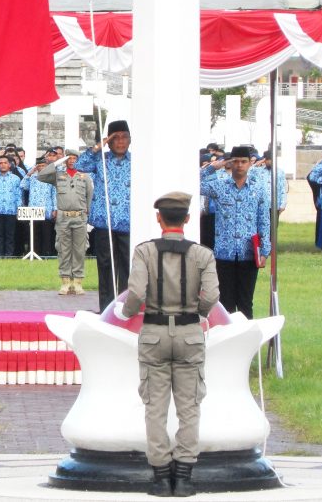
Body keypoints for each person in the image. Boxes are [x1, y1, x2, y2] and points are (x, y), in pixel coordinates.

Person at [117, 191, 219, 497]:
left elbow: (135, 292)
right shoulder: (202, 254)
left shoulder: (145, 251)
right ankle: (184, 475)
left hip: (154, 332)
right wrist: (196, 313)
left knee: (155, 406)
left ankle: (161, 475)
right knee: (189, 407)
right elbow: (212, 295)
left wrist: (127, 312)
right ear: (187, 219)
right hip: (189, 332)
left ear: (159, 218)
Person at [200, 145, 270, 318]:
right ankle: (227, 341)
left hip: (248, 253)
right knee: (226, 303)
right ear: (230, 163)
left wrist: (265, 250)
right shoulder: (219, 186)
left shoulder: (258, 189)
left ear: (249, 164)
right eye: (236, 161)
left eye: (244, 162)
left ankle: (247, 343)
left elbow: (264, 220)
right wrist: (210, 168)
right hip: (225, 253)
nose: (240, 165)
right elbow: (194, 184)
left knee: (246, 302)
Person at [77, 120, 133, 311]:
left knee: (128, 268)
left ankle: (127, 308)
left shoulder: (137, 162)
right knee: (106, 266)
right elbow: (79, 164)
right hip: (104, 222)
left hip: (128, 222)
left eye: (124, 137)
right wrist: (99, 146)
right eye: (115, 138)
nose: (120, 142)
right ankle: (107, 309)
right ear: (109, 141)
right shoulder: (100, 160)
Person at [38, 149, 93, 295]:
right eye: (69, 158)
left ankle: (78, 282)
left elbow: (90, 195)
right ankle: (65, 281)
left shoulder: (84, 177)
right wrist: (57, 162)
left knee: (80, 250)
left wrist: (87, 211)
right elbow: (41, 175)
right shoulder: (58, 175)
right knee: (63, 249)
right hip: (63, 217)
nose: (72, 161)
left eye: (75, 158)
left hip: (80, 216)